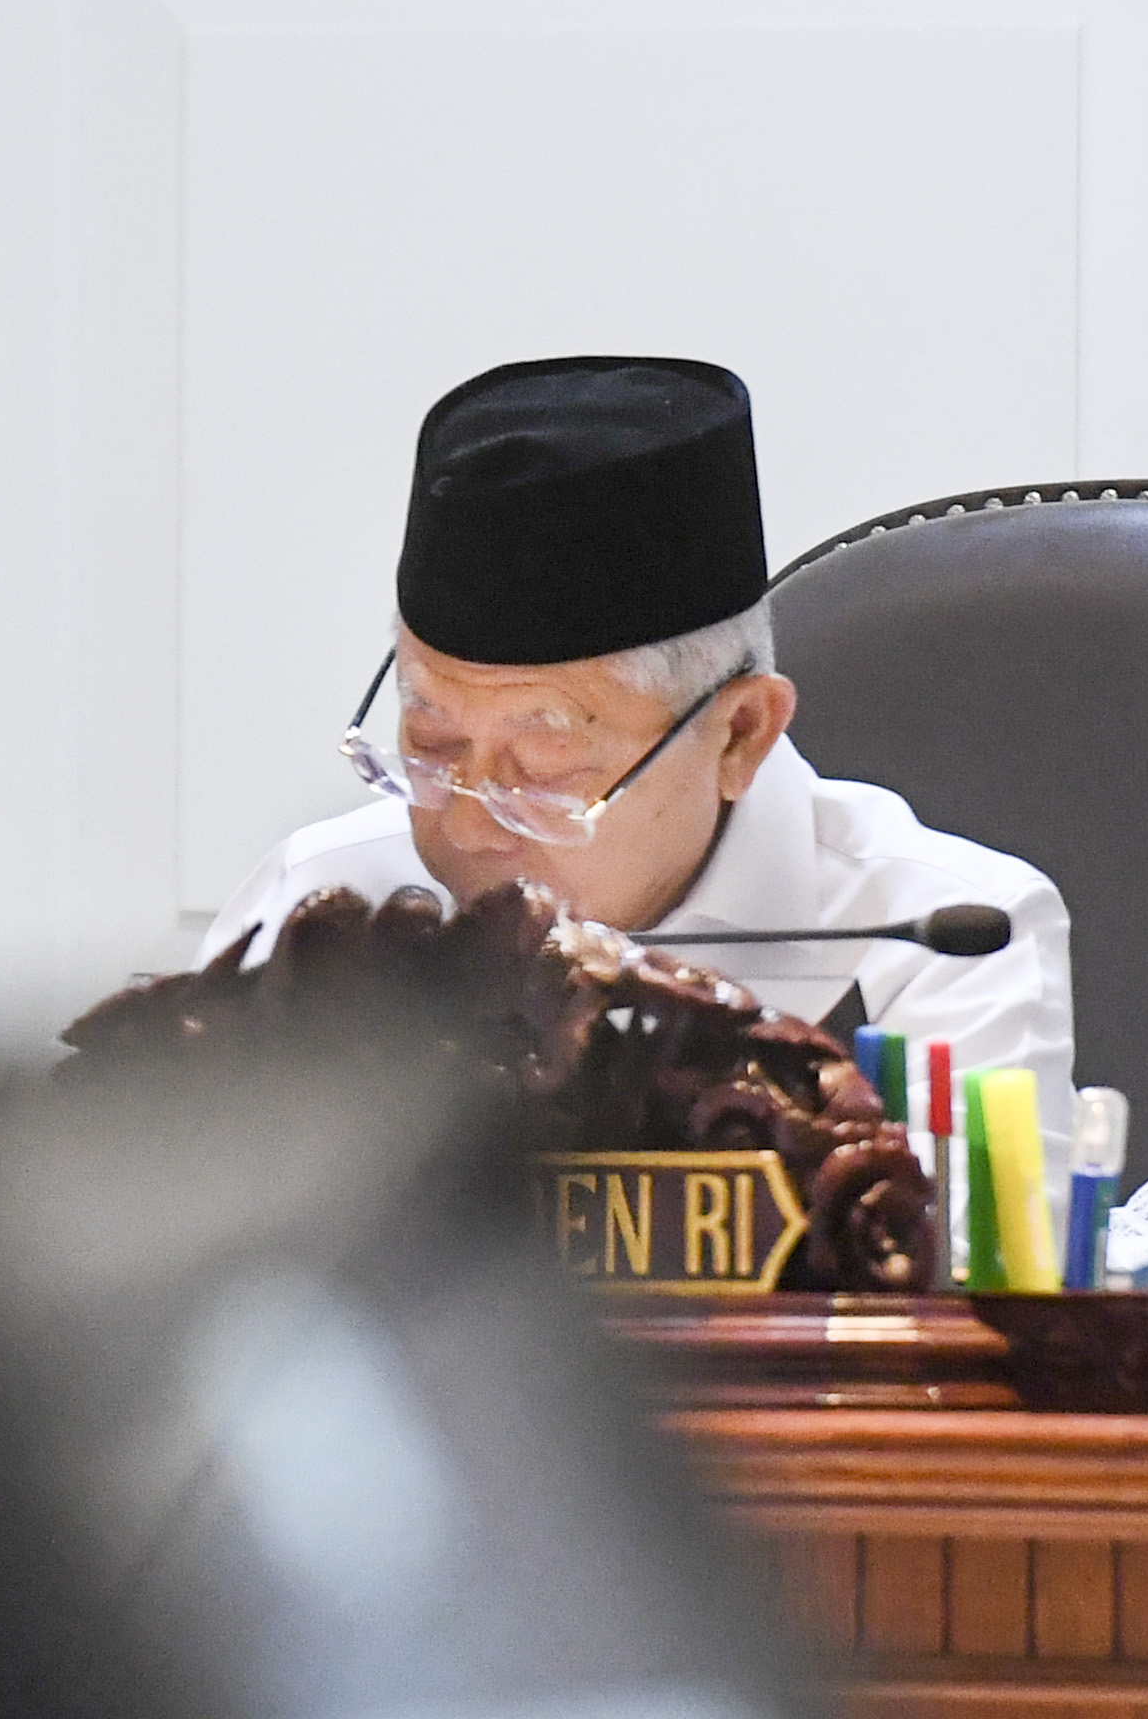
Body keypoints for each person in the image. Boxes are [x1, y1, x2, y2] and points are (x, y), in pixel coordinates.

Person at [197, 356, 1074, 1166]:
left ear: (741, 736)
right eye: (432, 745)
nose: (463, 826)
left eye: (542, 768)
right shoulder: (320, 910)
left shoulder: (932, 943)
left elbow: (977, 1315)